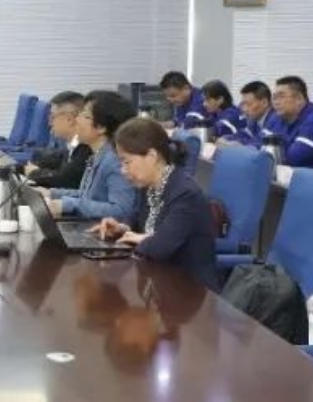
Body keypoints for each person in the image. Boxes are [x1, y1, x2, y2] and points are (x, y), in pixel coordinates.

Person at [94, 118, 219, 290]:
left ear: (152, 156)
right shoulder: (148, 186)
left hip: (189, 291)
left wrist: (144, 238)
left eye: (126, 162)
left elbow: (159, 248)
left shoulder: (185, 195)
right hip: (157, 284)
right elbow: (137, 218)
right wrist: (122, 228)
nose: (123, 170)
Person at [47, 91, 138, 221]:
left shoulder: (115, 160)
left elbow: (121, 210)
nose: (76, 120)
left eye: (84, 115)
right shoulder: (98, 154)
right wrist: (52, 194)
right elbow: (87, 196)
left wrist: (68, 205)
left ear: (101, 127)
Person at [264, 76, 313, 169]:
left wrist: (271, 151)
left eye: (281, 97)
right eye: (274, 98)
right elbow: (258, 145)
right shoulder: (277, 116)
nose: (276, 102)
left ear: (299, 99)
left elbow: (293, 158)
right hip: (293, 173)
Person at [22, 91, 91, 190]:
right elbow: (61, 167)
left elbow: (64, 179)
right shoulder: (72, 146)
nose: (49, 122)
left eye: (52, 116)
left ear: (69, 119)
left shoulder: (85, 147)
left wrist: (34, 172)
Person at [232, 81, 273, 147]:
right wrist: (223, 139)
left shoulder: (275, 120)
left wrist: (239, 145)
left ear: (264, 103)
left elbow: (260, 144)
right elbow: (242, 135)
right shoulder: (254, 119)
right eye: (243, 104)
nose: (244, 109)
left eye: (248, 104)